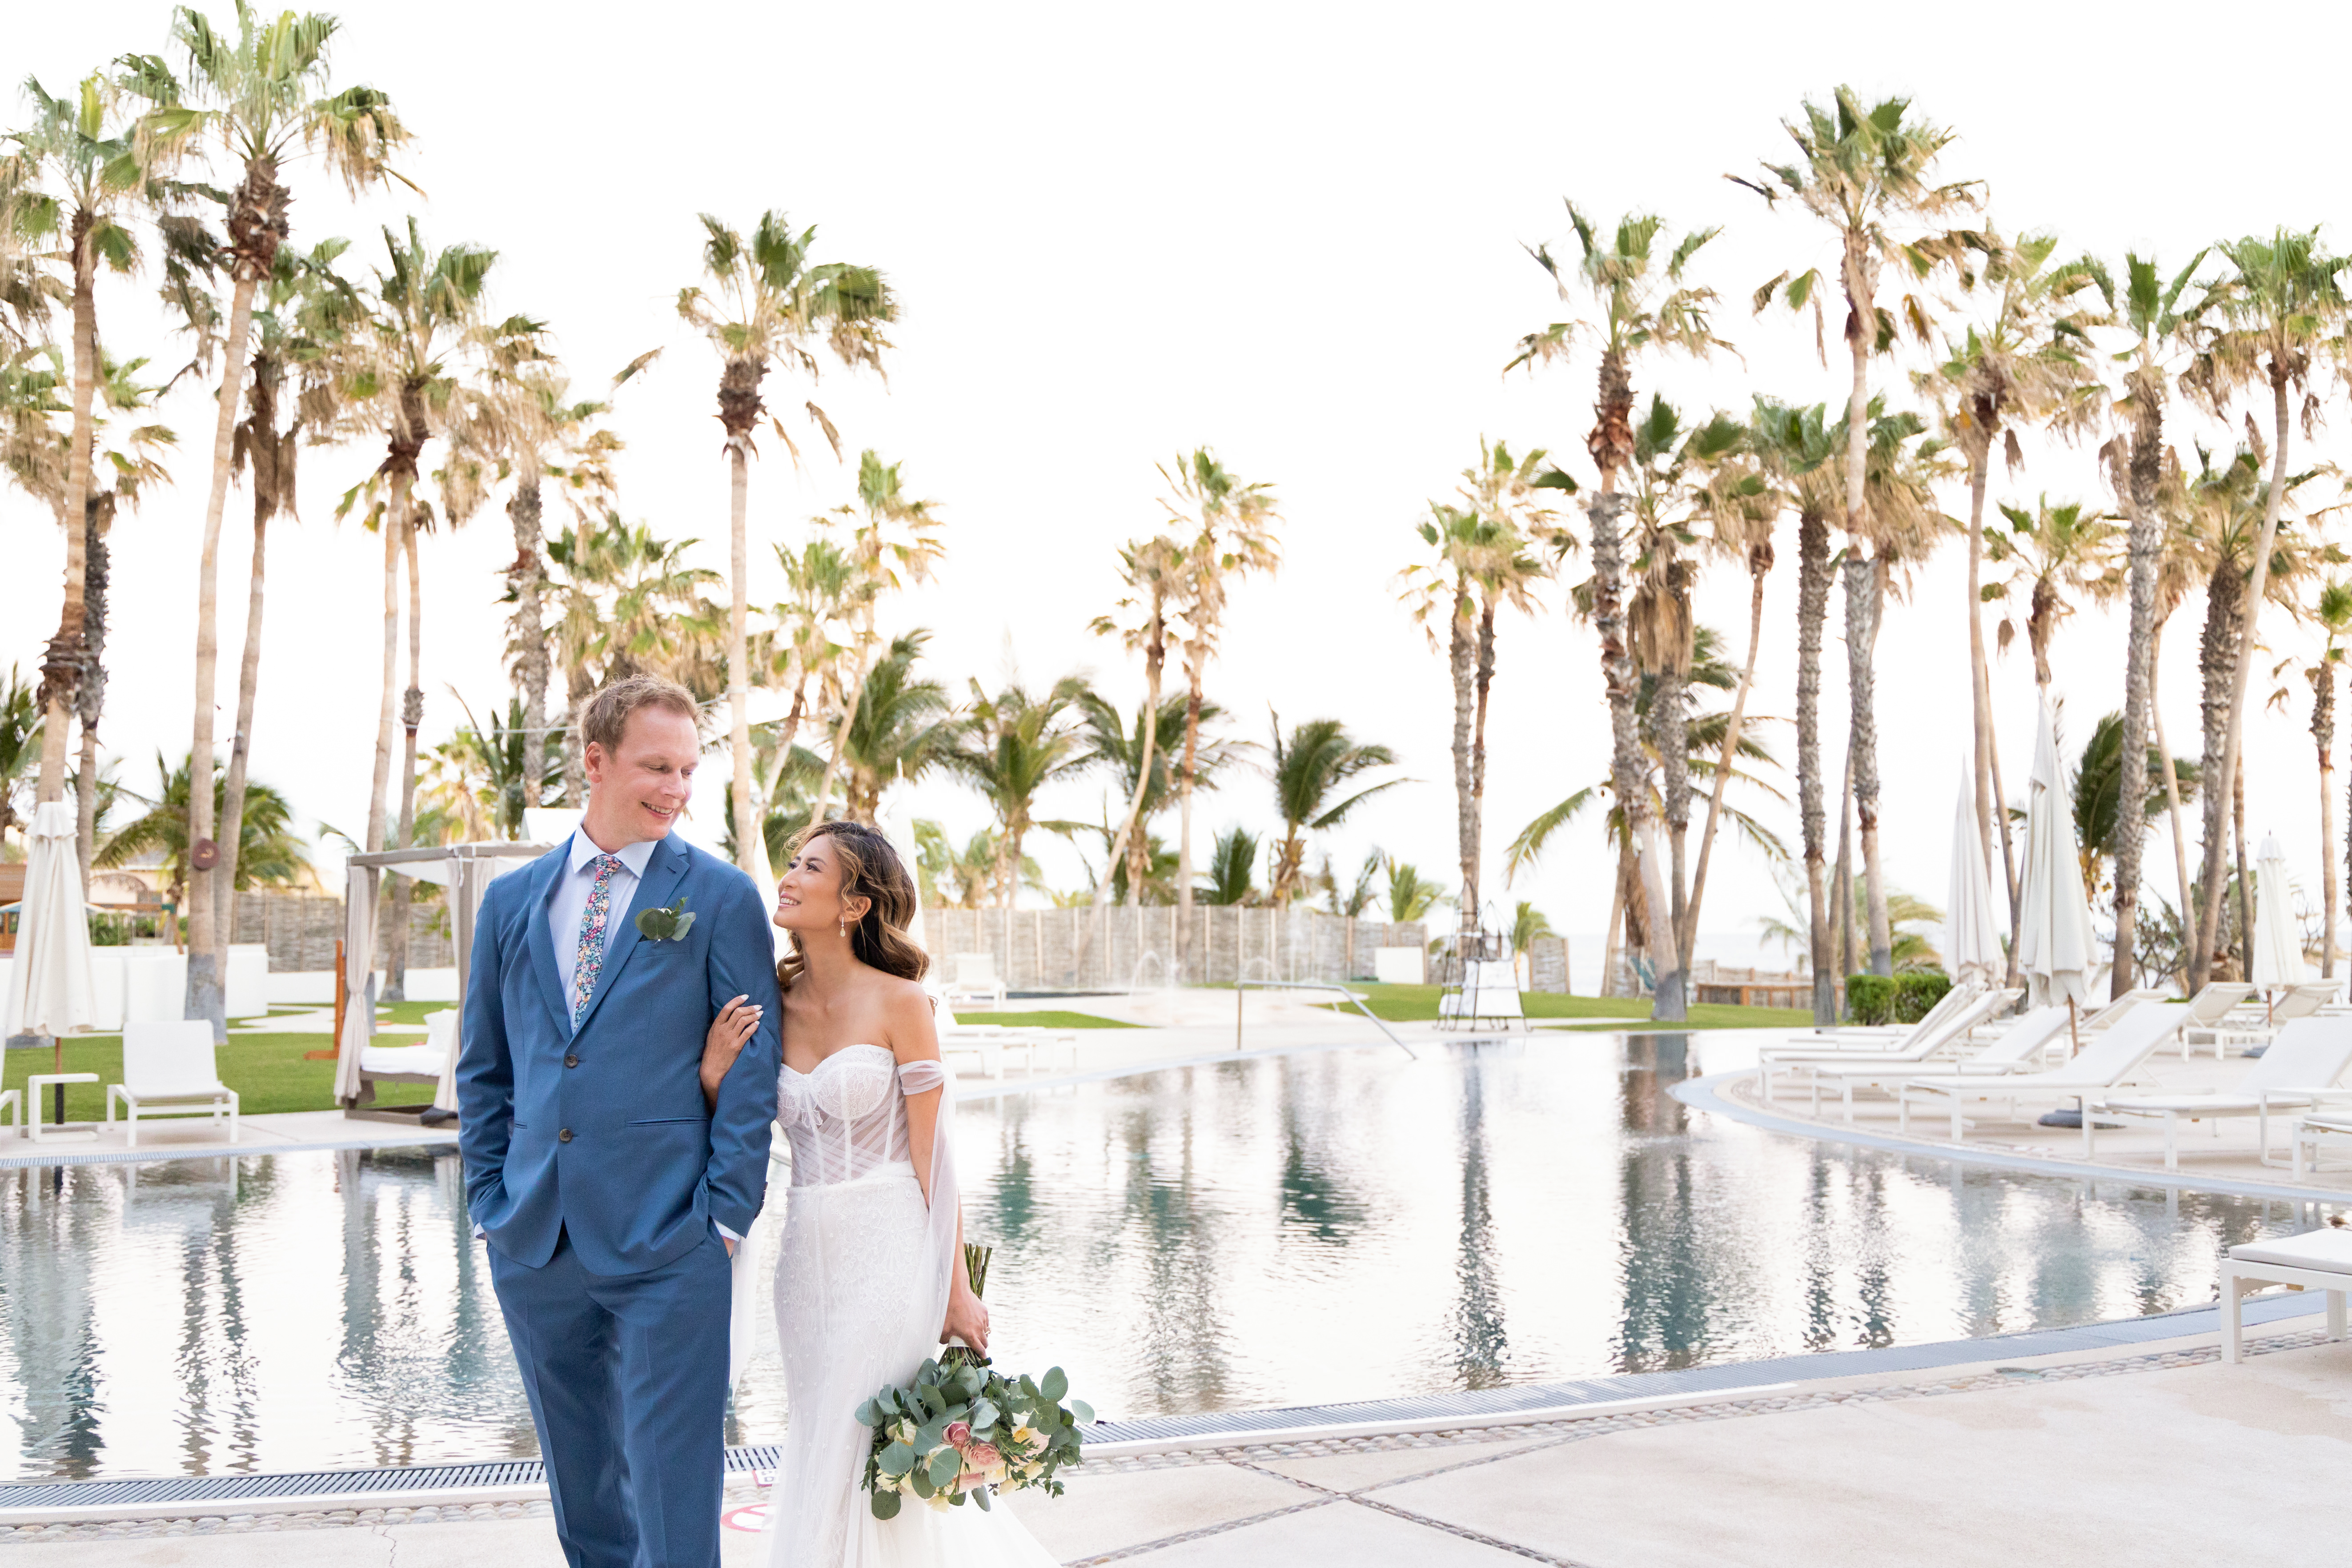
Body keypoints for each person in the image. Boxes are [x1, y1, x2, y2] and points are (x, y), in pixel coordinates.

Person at [458, 674, 783, 1568]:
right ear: (595, 762)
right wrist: (489, 1199)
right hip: (534, 1239)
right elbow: (485, 1069)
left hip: (670, 1242)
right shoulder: (510, 902)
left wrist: (722, 1218)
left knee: (677, 1493)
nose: (676, 790)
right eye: (656, 767)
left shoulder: (717, 898)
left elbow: (751, 1069)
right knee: (583, 1488)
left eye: (686, 771)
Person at [699, 819, 1057, 1566]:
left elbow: (936, 1157)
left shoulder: (903, 1004)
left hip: (891, 1248)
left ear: (854, 904)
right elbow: (728, 1121)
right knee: (819, 1430)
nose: (788, 878)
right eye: (792, 863)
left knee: (864, 1435)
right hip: (806, 1254)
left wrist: (955, 1290)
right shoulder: (770, 1000)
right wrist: (712, 1073)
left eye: (809, 868)